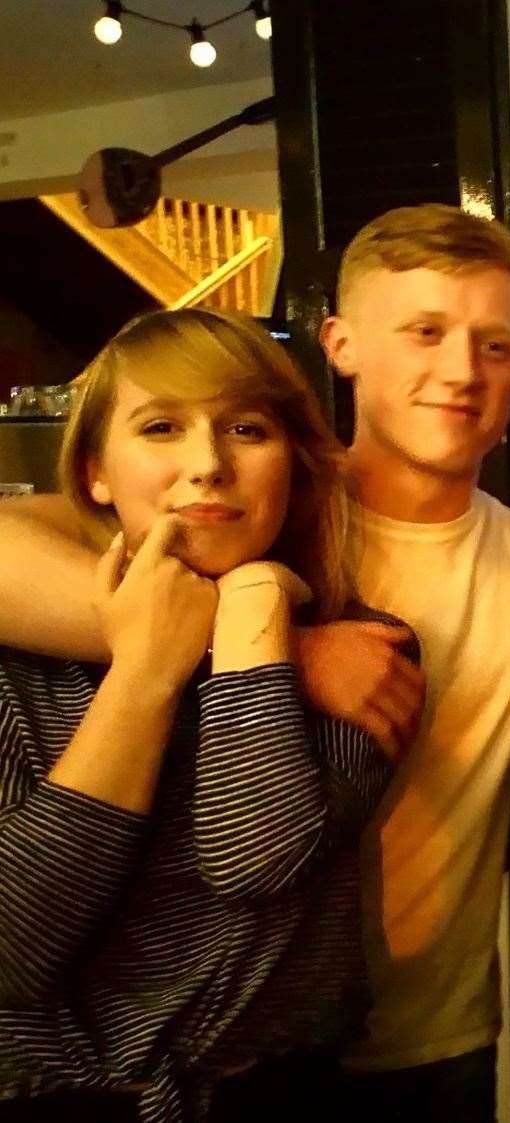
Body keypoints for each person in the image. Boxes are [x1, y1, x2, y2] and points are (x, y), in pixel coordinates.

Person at [0, 204, 510, 1122]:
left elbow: (253, 850)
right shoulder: (258, 525)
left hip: (407, 1033)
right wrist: (258, 634)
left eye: (495, 346)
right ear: (339, 344)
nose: (461, 370)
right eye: (425, 331)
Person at [0, 309, 393, 1123]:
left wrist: (254, 604)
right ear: (95, 471)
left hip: (275, 1095)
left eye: (247, 427)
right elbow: (10, 950)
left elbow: (254, 857)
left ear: (294, 461)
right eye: (161, 426)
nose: (208, 465)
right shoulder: (17, 662)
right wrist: (146, 668)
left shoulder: (367, 649)